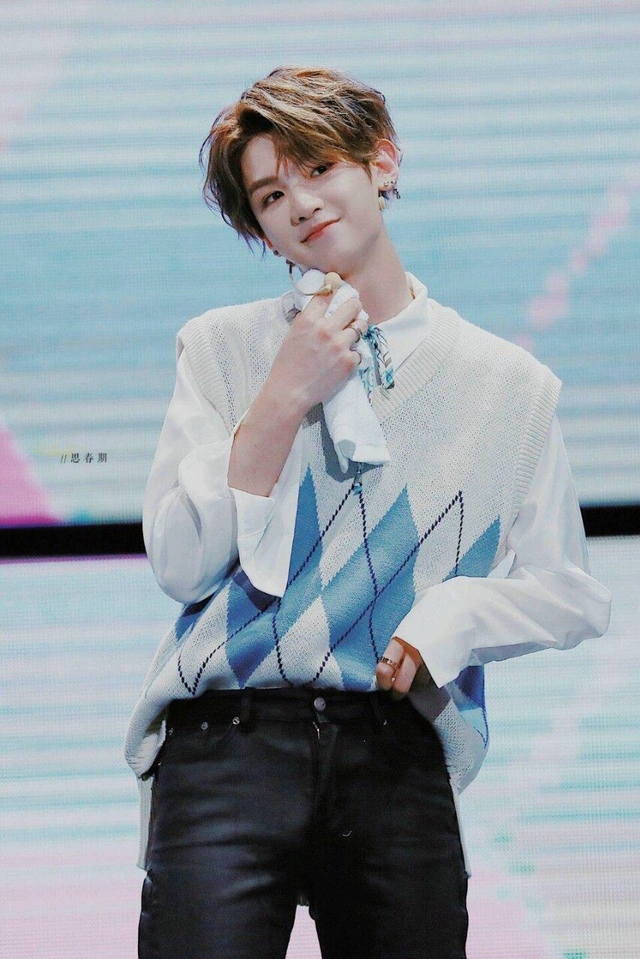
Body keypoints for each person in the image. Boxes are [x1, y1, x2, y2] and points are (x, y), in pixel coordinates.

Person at [126, 67, 611, 959]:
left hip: (394, 743)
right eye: (271, 195)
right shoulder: (222, 348)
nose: (301, 203)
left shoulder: (505, 385)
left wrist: (456, 614)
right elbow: (181, 564)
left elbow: (572, 591)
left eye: (318, 168)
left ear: (381, 162)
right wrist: (282, 395)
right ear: (260, 228)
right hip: (230, 742)